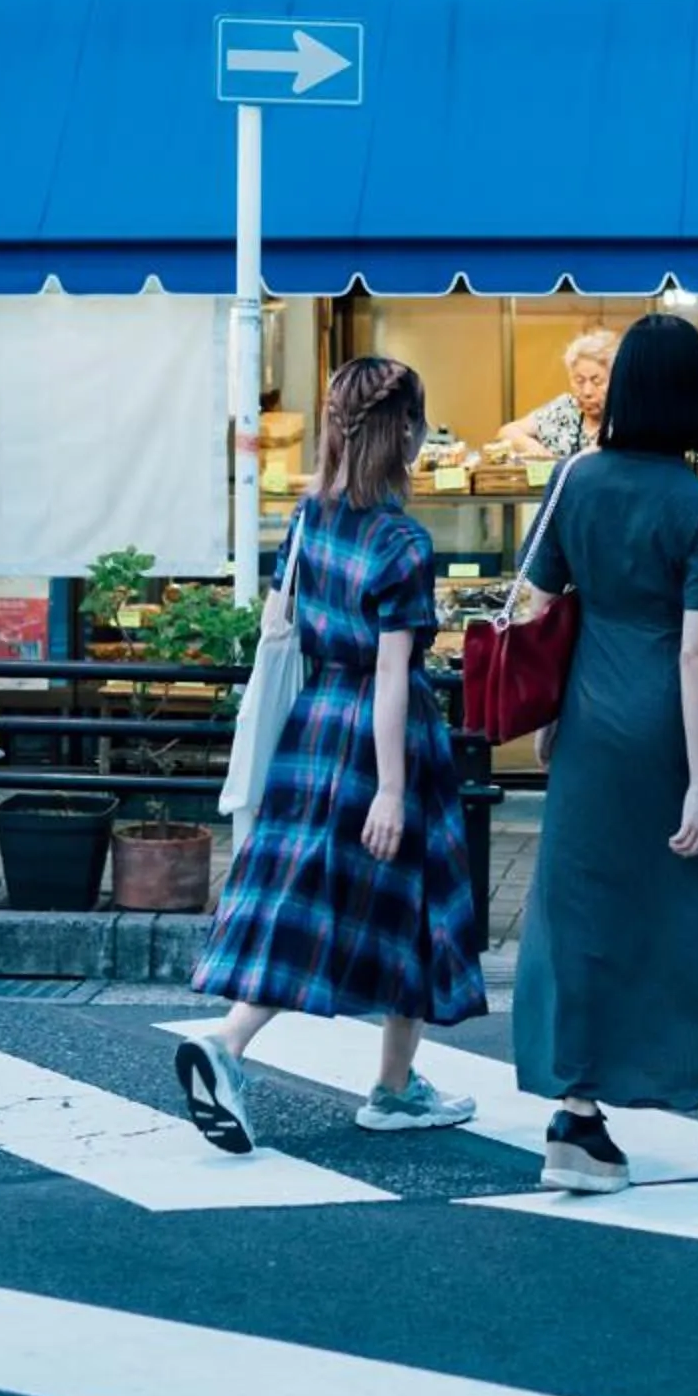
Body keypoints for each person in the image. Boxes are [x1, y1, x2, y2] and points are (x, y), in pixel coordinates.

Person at [507, 313, 698, 1194]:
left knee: (583, 914)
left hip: (591, 724)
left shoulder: (574, 481)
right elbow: (697, 652)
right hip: (672, 731)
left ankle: (577, 1125)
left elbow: (533, 604)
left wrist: (548, 718)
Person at [175, 357, 486, 1154]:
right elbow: (391, 676)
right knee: (407, 905)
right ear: (406, 431)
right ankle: (369, 1082)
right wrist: (390, 788)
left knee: (307, 896)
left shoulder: (308, 520)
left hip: (313, 729)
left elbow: (279, 625)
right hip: (384, 738)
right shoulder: (401, 541)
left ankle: (275, 1054)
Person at [495, 330, 618, 461]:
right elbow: (507, 432)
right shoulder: (564, 409)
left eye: (597, 381)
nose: (587, 392)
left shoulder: (625, 417)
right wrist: (536, 449)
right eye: (579, 381)